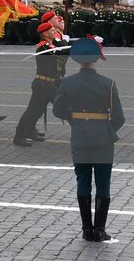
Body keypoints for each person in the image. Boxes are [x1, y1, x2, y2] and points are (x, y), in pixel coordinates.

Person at [52, 37, 124, 242]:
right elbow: (119, 117)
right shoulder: (108, 84)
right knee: (103, 185)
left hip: (79, 138)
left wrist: (75, 121)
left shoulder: (67, 82)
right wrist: (105, 129)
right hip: (103, 139)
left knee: (82, 182)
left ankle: (86, 229)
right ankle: (99, 230)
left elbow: (58, 109)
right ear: (96, 59)